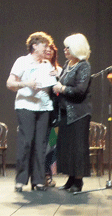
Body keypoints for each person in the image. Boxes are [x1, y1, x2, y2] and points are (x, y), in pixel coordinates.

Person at [7, 31, 55, 192]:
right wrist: (26, 83)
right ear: (34, 45)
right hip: (26, 105)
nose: (46, 49)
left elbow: (52, 83)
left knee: (41, 144)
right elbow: (10, 83)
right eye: (44, 46)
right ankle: (20, 180)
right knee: (26, 142)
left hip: (43, 106)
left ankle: (38, 180)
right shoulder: (22, 61)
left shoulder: (47, 64)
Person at [53, 33, 92, 193]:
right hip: (65, 113)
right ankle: (70, 179)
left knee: (77, 148)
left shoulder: (84, 66)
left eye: (67, 47)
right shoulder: (67, 64)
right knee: (67, 147)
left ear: (76, 48)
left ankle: (78, 181)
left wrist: (62, 88)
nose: (64, 50)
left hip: (79, 113)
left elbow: (80, 90)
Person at [43, 43, 62, 187]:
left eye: (51, 51)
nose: (48, 52)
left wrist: (59, 76)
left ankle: (48, 174)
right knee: (39, 145)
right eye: (46, 50)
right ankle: (40, 175)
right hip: (39, 112)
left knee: (51, 145)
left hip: (54, 115)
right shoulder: (36, 68)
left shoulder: (59, 70)